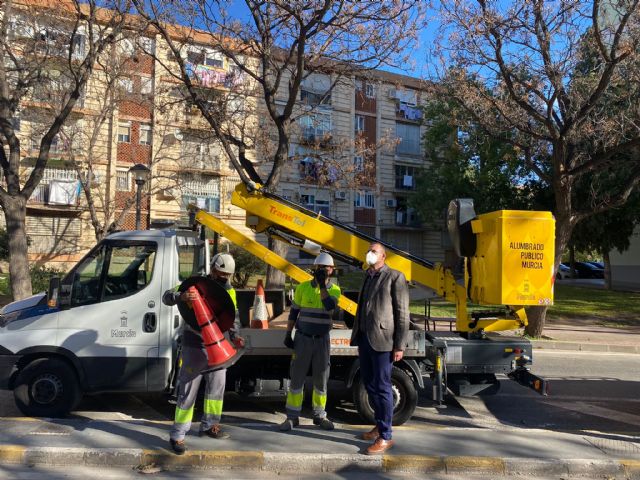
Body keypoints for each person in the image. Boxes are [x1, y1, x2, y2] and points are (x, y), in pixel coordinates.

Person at [162, 252, 244, 455]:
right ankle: (178, 435)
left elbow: (233, 318)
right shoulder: (194, 285)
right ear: (212, 270)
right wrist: (181, 296)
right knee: (188, 392)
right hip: (194, 345)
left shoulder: (229, 292)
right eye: (220, 273)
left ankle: (210, 425)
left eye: (227, 275)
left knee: (217, 388)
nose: (224, 278)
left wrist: (236, 336)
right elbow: (166, 297)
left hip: (218, 347)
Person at [350, 242, 409, 455]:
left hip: (384, 341)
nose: (370, 253)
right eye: (369, 250)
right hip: (365, 338)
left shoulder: (395, 277)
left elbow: (402, 313)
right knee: (369, 383)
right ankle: (379, 424)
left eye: (374, 251)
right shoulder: (368, 276)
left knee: (383, 386)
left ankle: (386, 436)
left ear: (383, 256)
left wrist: (399, 344)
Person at [279, 252, 341, 432]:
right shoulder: (302, 287)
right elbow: (293, 313)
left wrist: (322, 286)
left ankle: (319, 415)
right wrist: (288, 333)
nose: (324, 270)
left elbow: (330, 308)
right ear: (315, 269)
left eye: (327, 268)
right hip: (303, 339)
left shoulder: (335, 289)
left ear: (332, 270)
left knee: (321, 379)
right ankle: (292, 417)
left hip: (321, 341)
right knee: (297, 378)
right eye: (321, 268)